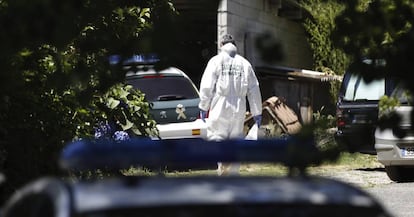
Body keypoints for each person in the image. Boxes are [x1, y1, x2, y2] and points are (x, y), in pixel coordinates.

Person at [198, 34, 262, 176]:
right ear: (234, 46)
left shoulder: (216, 61)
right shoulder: (245, 64)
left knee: (217, 138)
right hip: (239, 107)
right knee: (235, 141)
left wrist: (203, 105)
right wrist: (257, 112)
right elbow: (254, 89)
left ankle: (222, 168)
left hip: (220, 105)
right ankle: (233, 175)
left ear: (221, 45)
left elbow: (207, 86)